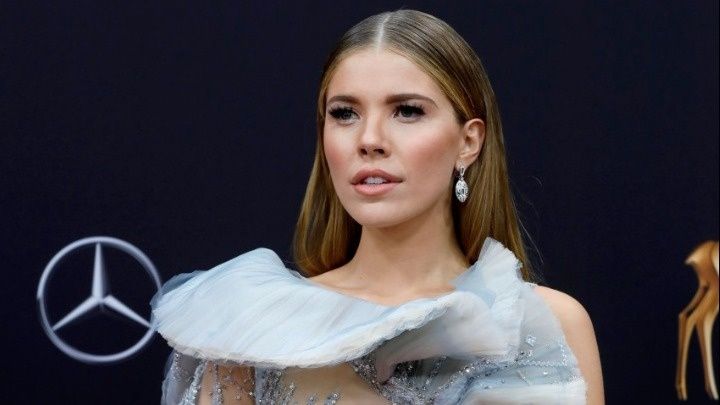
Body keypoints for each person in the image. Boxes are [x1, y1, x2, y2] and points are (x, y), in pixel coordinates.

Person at [151, 9, 604, 404]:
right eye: (344, 113)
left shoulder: (547, 326)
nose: (369, 140)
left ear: (469, 142)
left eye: (407, 111)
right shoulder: (248, 329)